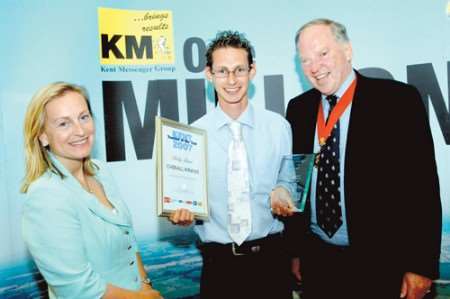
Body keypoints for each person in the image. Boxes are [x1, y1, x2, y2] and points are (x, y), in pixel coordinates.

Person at [276, 18, 442, 299]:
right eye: (305, 60)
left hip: (382, 265)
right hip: (318, 263)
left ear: (348, 50)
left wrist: (421, 265)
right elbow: (300, 182)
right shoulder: (299, 109)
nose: (314, 67)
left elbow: (422, 189)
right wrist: (295, 251)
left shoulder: (398, 101)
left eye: (323, 54)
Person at [169, 31, 294, 299]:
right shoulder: (191, 137)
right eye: (222, 71)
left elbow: (288, 181)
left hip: (272, 263)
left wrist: (284, 191)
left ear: (253, 71)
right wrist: (179, 211)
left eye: (239, 70)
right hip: (219, 267)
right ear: (209, 74)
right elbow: (183, 200)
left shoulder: (279, 127)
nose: (232, 80)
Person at [21, 82, 163, 299]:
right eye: (63, 124)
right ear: (42, 136)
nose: (80, 130)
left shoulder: (100, 171)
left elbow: (128, 236)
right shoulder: (45, 196)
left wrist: (145, 285)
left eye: (83, 117)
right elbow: (78, 289)